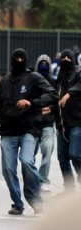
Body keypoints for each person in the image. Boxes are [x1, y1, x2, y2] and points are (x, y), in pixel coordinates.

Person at [0, 48, 58, 215]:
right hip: (8, 131)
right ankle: (17, 203)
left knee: (26, 161)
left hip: (28, 129)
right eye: (16, 58)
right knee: (8, 170)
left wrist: (32, 103)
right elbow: (2, 109)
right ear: (11, 60)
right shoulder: (5, 82)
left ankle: (35, 199)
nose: (19, 61)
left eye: (21, 58)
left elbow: (53, 95)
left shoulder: (34, 78)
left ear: (26, 60)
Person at [54, 49, 81, 195]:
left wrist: (69, 94)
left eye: (68, 57)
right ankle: (69, 189)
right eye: (63, 57)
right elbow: (53, 95)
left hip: (77, 122)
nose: (65, 59)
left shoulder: (78, 72)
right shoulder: (60, 76)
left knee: (75, 154)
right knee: (62, 158)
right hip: (62, 125)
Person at [33, 54, 56, 193]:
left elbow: (57, 99)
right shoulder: (32, 80)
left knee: (47, 149)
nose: (43, 66)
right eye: (41, 63)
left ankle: (43, 179)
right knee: (29, 154)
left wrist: (51, 108)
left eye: (46, 63)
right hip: (33, 123)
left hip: (47, 122)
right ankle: (32, 178)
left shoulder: (53, 81)